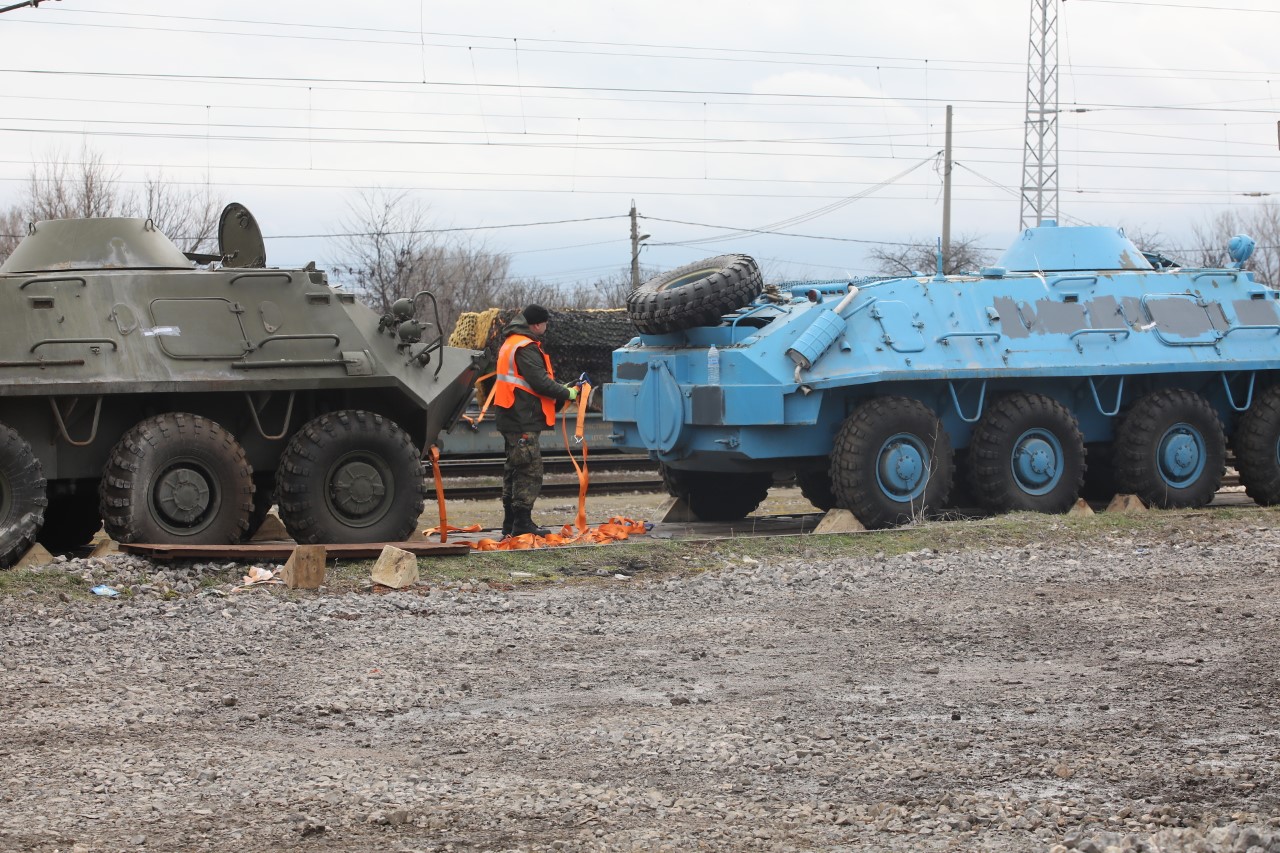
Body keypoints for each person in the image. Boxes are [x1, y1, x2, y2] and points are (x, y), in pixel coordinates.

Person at [492, 304, 579, 537]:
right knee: (529, 471)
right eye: (546, 323)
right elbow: (539, 382)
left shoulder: (511, 342)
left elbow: (532, 380)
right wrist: (567, 394)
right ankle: (521, 523)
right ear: (538, 324)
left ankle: (510, 523)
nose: (546, 327)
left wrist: (561, 387)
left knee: (514, 469)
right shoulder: (525, 346)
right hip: (522, 418)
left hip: (512, 415)